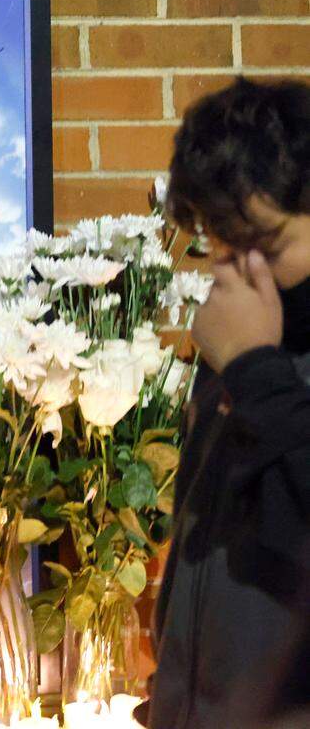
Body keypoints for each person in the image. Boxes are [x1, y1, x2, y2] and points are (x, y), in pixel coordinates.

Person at [150, 77, 310, 729]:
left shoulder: (251, 355)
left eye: (265, 244)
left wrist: (256, 371)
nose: (236, 271)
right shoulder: (241, 350)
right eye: (219, 237)